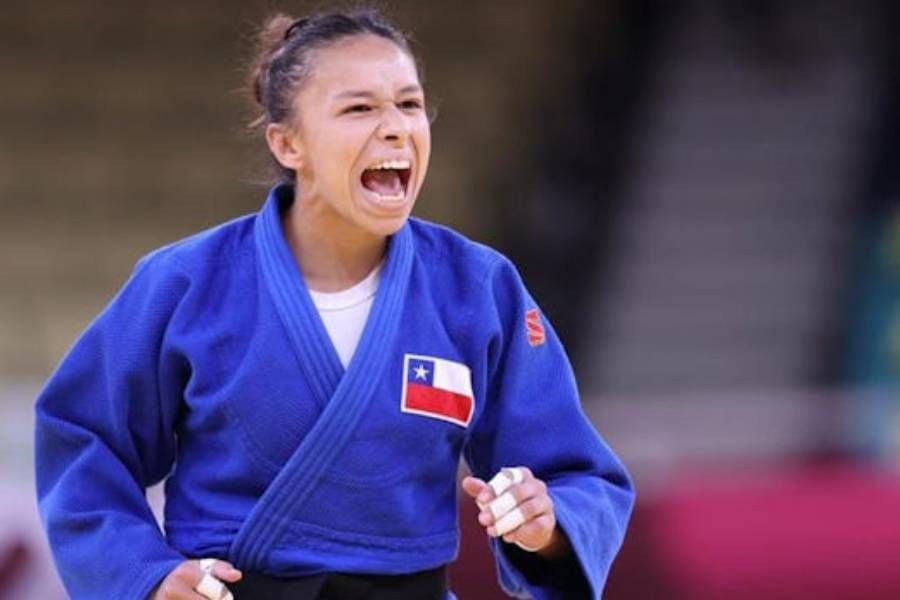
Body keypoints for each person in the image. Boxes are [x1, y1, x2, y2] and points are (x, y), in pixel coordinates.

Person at [34, 9, 634, 600]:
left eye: (410, 104)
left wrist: (544, 522)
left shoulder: (476, 288)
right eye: (360, 108)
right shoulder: (187, 282)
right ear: (288, 143)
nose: (397, 127)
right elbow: (83, 437)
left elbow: (577, 477)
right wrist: (147, 575)